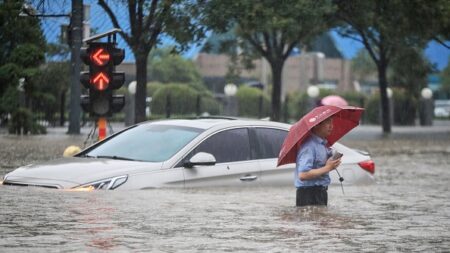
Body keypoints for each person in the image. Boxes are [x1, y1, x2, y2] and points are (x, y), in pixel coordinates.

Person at [295, 117, 341, 206]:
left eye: (332, 122)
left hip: (321, 192)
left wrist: (331, 163)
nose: (331, 126)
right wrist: (327, 168)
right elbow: (303, 175)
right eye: (328, 123)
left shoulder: (323, 145)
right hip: (308, 194)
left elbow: (321, 167)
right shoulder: (309, 146)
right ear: (316, 125)